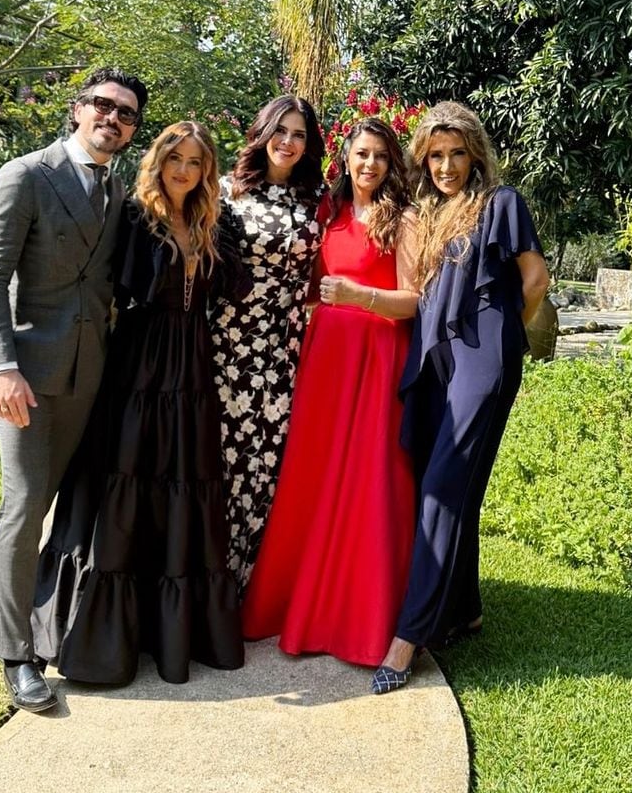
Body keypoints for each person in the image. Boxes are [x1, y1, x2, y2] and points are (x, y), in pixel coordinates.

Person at [32, 121, 250, 686]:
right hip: (139, 359)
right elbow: (109, 284)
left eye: (196, 163)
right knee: (125, 478)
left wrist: (214, 237)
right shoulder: (134, 215)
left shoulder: (211, 221)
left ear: (207, 171)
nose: (184, 171)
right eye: (176, 159)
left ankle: (166, 631)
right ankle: (96, 637)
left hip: (191, 360)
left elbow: (235, 285)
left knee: (179, 482)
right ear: (159, 161)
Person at [0, 66, 147, 713]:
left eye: (126, 113)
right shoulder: (25, 176)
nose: (112, 118)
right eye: (103, 105)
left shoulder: (116, 189)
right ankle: (15, 654)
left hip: (85, 373)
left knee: (37, 501)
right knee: (22, 504)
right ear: (77, 108)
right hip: (24, 373)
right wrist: (1, 366)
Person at [372, 101, 549, 695]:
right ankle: (465, 609)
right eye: (436, 156)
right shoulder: (422, 214)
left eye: (457, 154)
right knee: (451, 483)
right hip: (433, 360)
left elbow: (535, 280)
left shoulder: (501, 203)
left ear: (476, 155)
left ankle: (408, 637)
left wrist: (503, 335)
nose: (446, 166)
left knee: (442, 488)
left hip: (482, 360)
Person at [241, 117, 419, 667]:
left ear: (391, 164)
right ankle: (292, 602)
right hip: (326, 359)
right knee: (312, 476)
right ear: (345, 156)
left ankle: (357, 618)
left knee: (369, 477)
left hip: (378, 358)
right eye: (362, 153)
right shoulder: (328, 209)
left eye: (381, 156)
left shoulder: (404, 218)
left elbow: (414, 299)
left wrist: (358, 296)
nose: (370, 164)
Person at [211, 95, 325, 595]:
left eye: (299, 134)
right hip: (226, 345)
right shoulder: (226, 191)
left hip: (284, 349)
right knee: (220, 460)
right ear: (262, 133)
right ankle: (205, 583)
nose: (288, 142)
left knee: (266, 463)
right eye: (280, 130)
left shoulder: (319, 198)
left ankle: (247, 587)